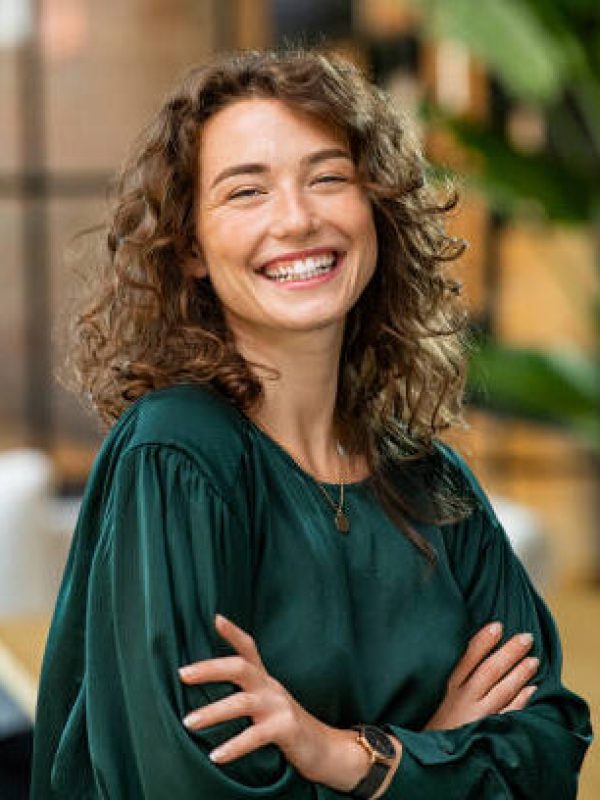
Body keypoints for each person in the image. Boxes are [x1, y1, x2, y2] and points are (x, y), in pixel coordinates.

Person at [31, 48, 592, 799]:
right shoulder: (178, 456)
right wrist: (434, 752)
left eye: (328, 178)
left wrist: (349, 755)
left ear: (376, 209)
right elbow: (186, 787)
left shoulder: (430, 482)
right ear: (191, 247)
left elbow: (548, 751)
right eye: (246, 191)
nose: (296, 219)